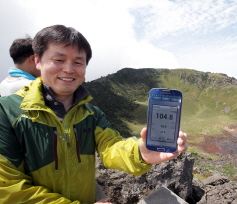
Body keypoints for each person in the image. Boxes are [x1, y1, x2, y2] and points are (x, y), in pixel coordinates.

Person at [0, 25, 188, 204]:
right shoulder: (7, 112)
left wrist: (140, 152)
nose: (68, 69)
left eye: (78, 62)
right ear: (37, 61)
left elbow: (111, 148)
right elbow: (8, 190)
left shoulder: (91, 114)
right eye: (59, 60)